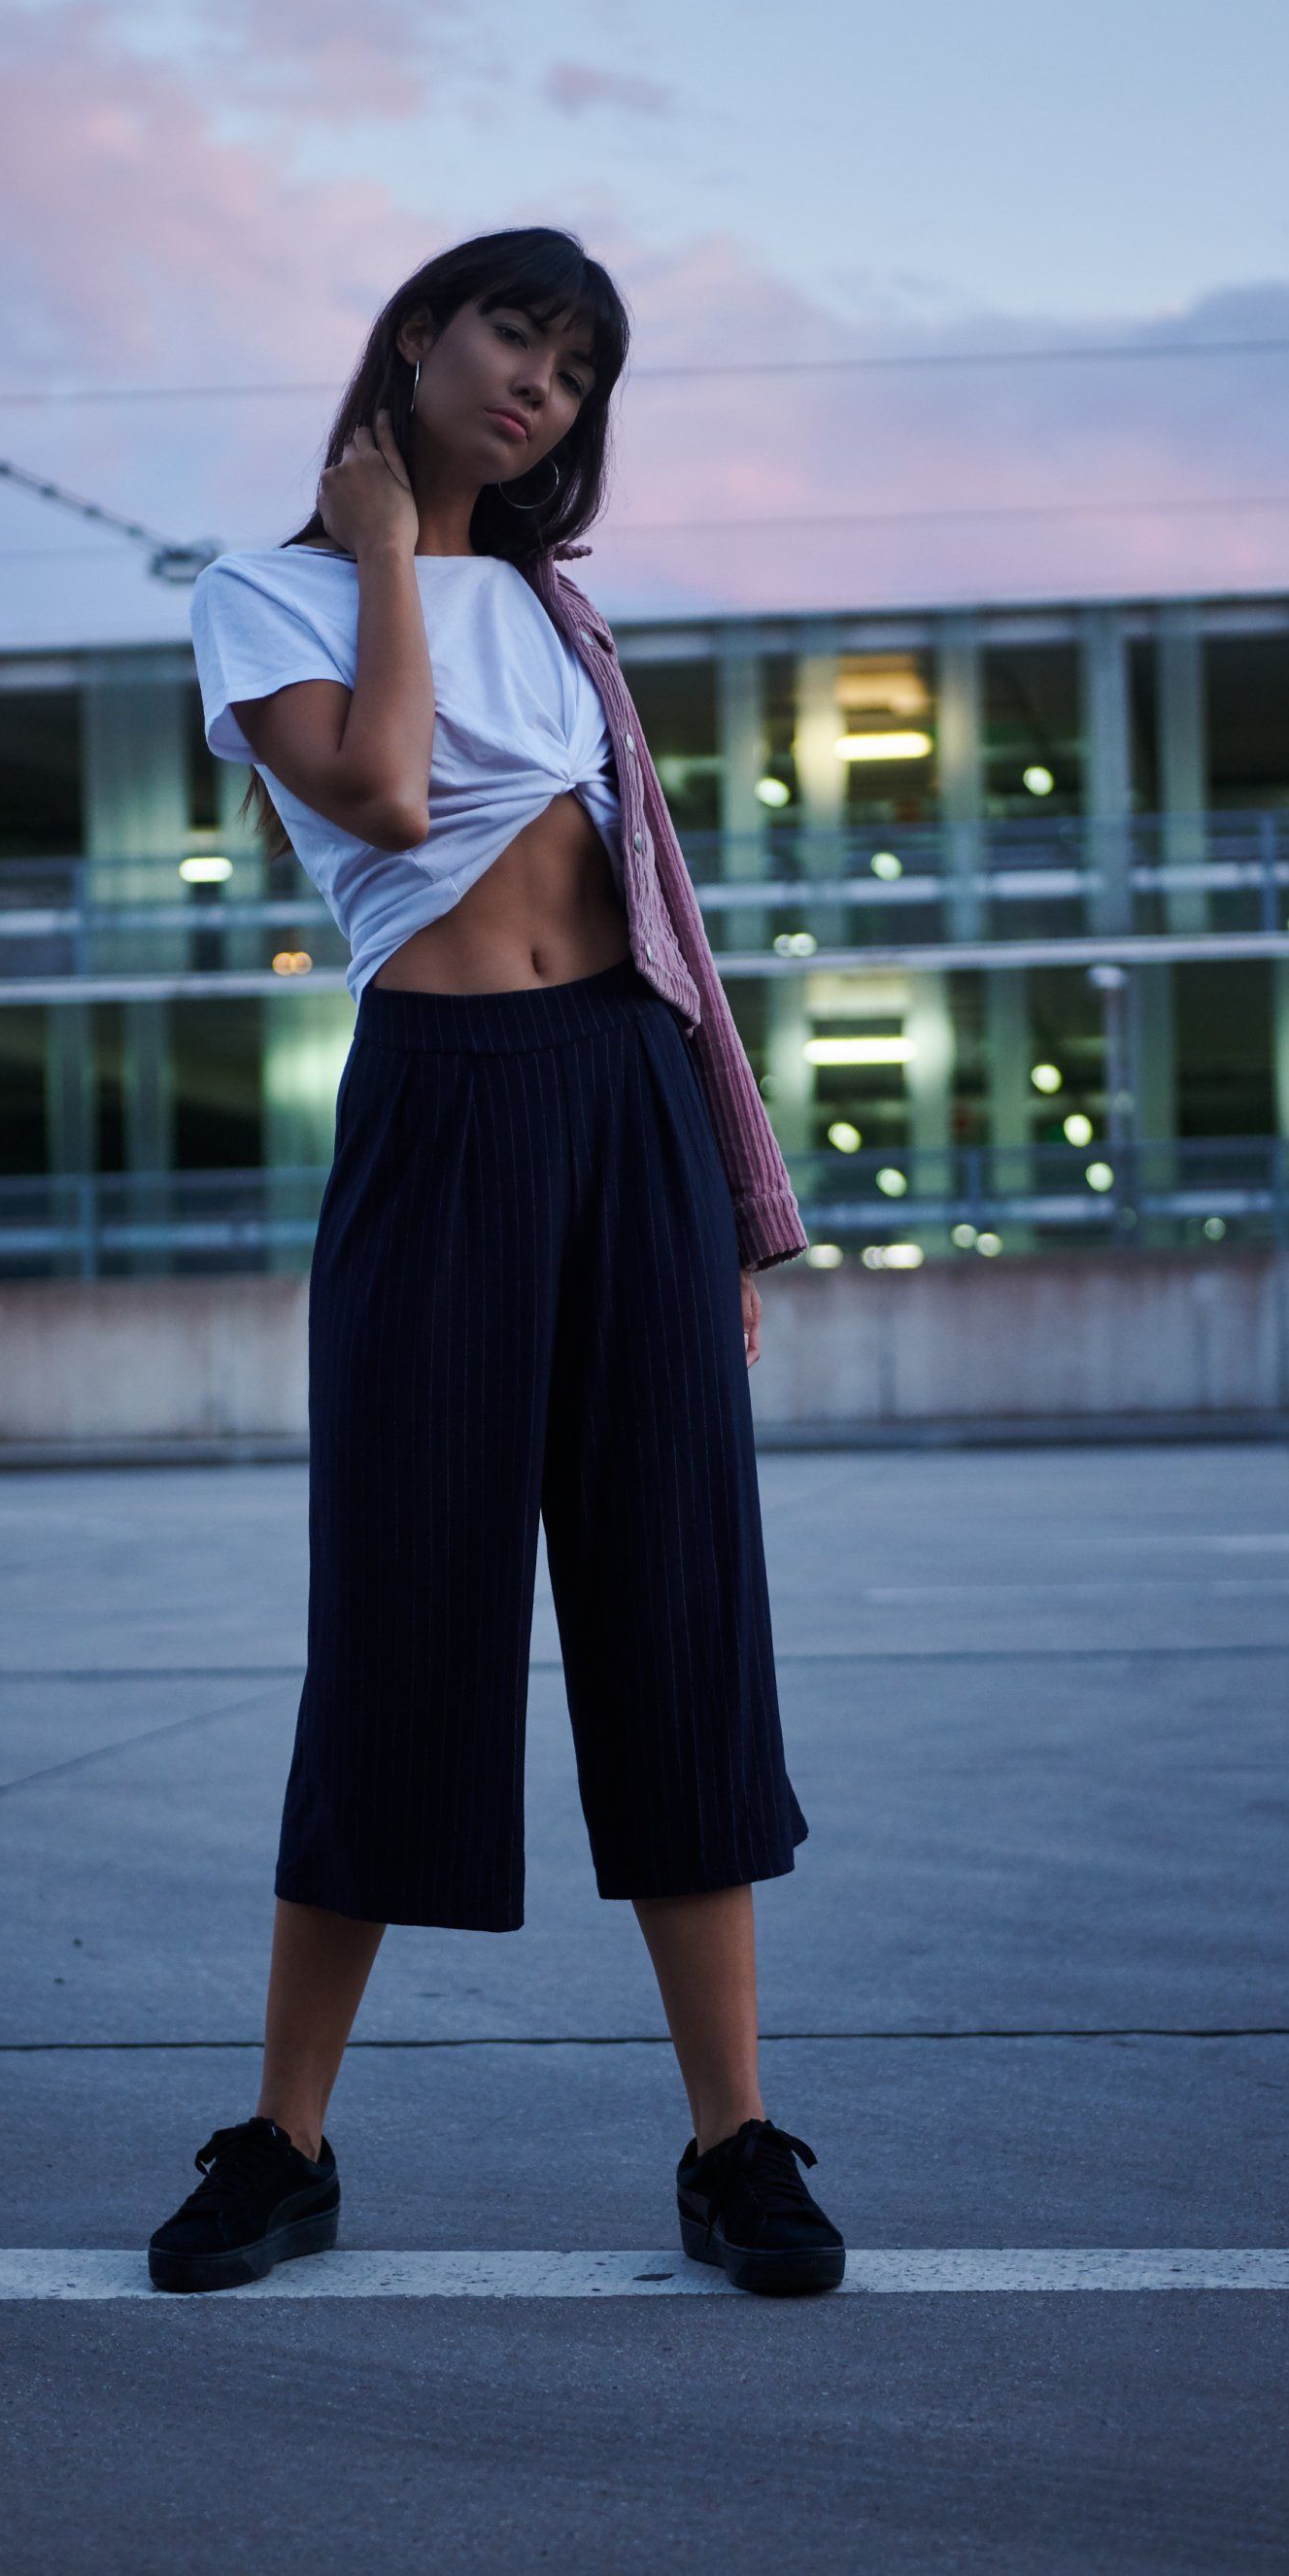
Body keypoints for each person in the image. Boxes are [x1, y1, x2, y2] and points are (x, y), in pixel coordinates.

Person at [149, 226, 843, 2300]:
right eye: (515, 334)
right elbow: (373, 786)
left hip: (623, 1106)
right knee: (395, 1617)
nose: (544, 381)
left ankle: (734, 2146)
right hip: (439, 1110)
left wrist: (715, 1199)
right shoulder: (260, 592)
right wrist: (380, 546)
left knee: (675, 1610)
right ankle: (284, 2139)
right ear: (420, 340)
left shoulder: (565, 614)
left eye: (581, 363)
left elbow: (650, 923)